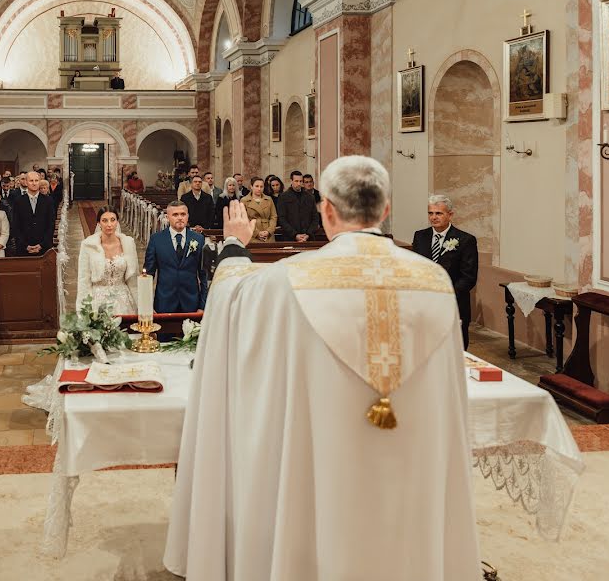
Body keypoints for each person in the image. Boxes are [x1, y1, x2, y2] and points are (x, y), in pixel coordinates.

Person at [164, 156, 481, 581]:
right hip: (407, 451)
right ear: (386, 210)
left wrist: (237, 245)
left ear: (326, 208)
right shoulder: (433, 281)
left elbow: (230, 300)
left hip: (320, 459)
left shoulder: (289, 278)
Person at [412, 194, 478, 349]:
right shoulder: (420, 236)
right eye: (430, 213)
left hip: (453, 303)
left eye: (438, 213)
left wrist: (444, 294)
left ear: (450, 214)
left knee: (454, 349)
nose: (434, 217)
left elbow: (468, 277)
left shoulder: (465, 240)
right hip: (424, 304)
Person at [143, 201, 208, 313]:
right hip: (164, 302)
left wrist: (202, 306)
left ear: (188, 216)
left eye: (183, 214)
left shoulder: (198, 239)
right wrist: (148, 305)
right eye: (175, 215)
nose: (179, 218)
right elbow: (148, 274)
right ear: (168, 217)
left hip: (191, 302)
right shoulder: (156, 239)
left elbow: (204, 276)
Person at [76, 205, 139, 313]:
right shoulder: (88, 245)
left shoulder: (128, 243)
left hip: (123, 300)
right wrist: (83, 310)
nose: (109, 224)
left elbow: (134, 278)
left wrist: (142, 304)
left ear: (117, 222)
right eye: (105, 221)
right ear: (99, 223)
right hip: (98, 300)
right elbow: (84, 280)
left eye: (112, 220)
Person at [12, 171, 56, 256]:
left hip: (44, 248)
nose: (34, 183)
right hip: (24, 248)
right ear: (26, 182)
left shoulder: (48, 201)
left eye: (36, 180)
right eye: (31, 181)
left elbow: (51, 224)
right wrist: (25, 246)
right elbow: (16, 225)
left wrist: (41, 245)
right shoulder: (18, 201)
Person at [277, 170, 319, 242]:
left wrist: (308, 234)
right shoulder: (283, 197)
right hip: (290, 238)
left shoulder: (310, 197)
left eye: (300, 181)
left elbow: (315, 217)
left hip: (308, 237)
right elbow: (282, 219)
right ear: (291, 181)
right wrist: (295, 234)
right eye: (296, 181)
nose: (299, 184)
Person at [240, 177, 277, 243]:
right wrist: (257, 233)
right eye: (257, 186)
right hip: (252, 235)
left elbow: (273, 216)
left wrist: (269, 231)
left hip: (268, 235)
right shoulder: (244, 200)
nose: (259, 189)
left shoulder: (269, 199)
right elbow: (244, 219)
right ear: (251, 187)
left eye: (261, 186)